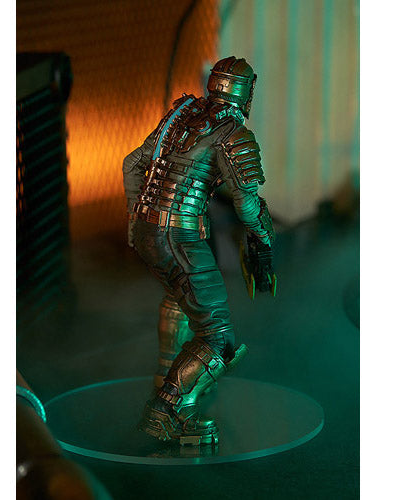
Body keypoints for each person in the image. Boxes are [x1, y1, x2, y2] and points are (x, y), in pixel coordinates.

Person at [123, 56, 276, 446]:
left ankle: (174, 380)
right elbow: (246, 204)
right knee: (218, 337)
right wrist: (263, 235)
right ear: (246, 93)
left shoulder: (182, 115)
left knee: (180, 301)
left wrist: (137, 219)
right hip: (179, 238)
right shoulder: (233, 133)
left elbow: (132, 163)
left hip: (150, 231)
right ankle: (164, 411)